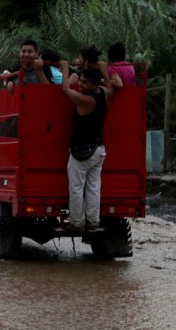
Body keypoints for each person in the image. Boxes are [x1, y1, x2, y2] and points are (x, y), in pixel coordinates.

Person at [59, 60, 113, 233]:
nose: (80, 85)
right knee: (93, 188)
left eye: (84, 82)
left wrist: (66, 70)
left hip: (82, 151)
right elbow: (111, 90)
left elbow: (65, 89)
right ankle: (93, 221)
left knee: (76, 188)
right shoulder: (103, 93)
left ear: (94, 85)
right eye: (81, 80)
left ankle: (76, 222)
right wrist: (105, 72)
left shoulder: (85, 100)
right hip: (99, 149)